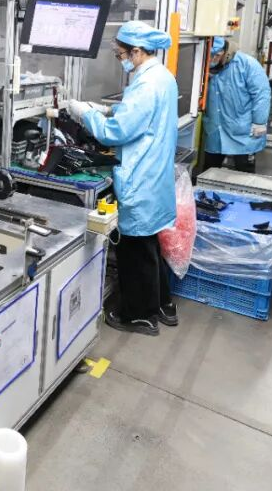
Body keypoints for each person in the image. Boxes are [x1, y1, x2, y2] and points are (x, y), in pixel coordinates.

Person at [69, 21, 178, 337]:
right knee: (149, 244)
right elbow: (140, 114)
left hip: (141, 176)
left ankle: (139, 315)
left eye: (121, 55)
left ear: (137, 51)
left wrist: (85, 114)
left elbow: (113, 133)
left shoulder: (145, 85)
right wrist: (109, 108)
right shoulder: (162, 77)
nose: (121, 60)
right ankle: (162, 304)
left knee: (135, 249)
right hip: (155, 174)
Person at [201, 37, 272, 174]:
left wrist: (259, 122)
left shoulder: (247, 64)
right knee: (209, 171)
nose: (212, 60)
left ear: (224, 51)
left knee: (244, 173)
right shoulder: (207, 66)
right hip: (216, 129)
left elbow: (261, 94)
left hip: (243, 130)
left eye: (216, 56)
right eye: (210, 56)